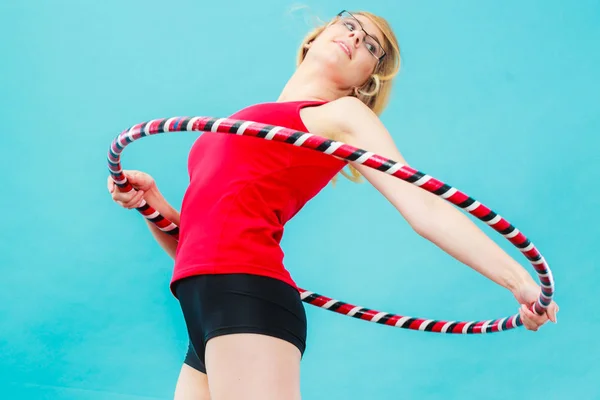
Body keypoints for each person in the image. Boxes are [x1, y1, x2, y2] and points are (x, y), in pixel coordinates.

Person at [107, 10, 559, 400]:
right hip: (201, 299)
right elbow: (199, 244)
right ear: (315, 37)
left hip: (249, 294)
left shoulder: (341, 117)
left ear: (367, 78)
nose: (355, 38)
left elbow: (425, 207)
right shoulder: (234, 123)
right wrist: (152, 203)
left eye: (371, 46)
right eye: (349, 25)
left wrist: (519, 280)